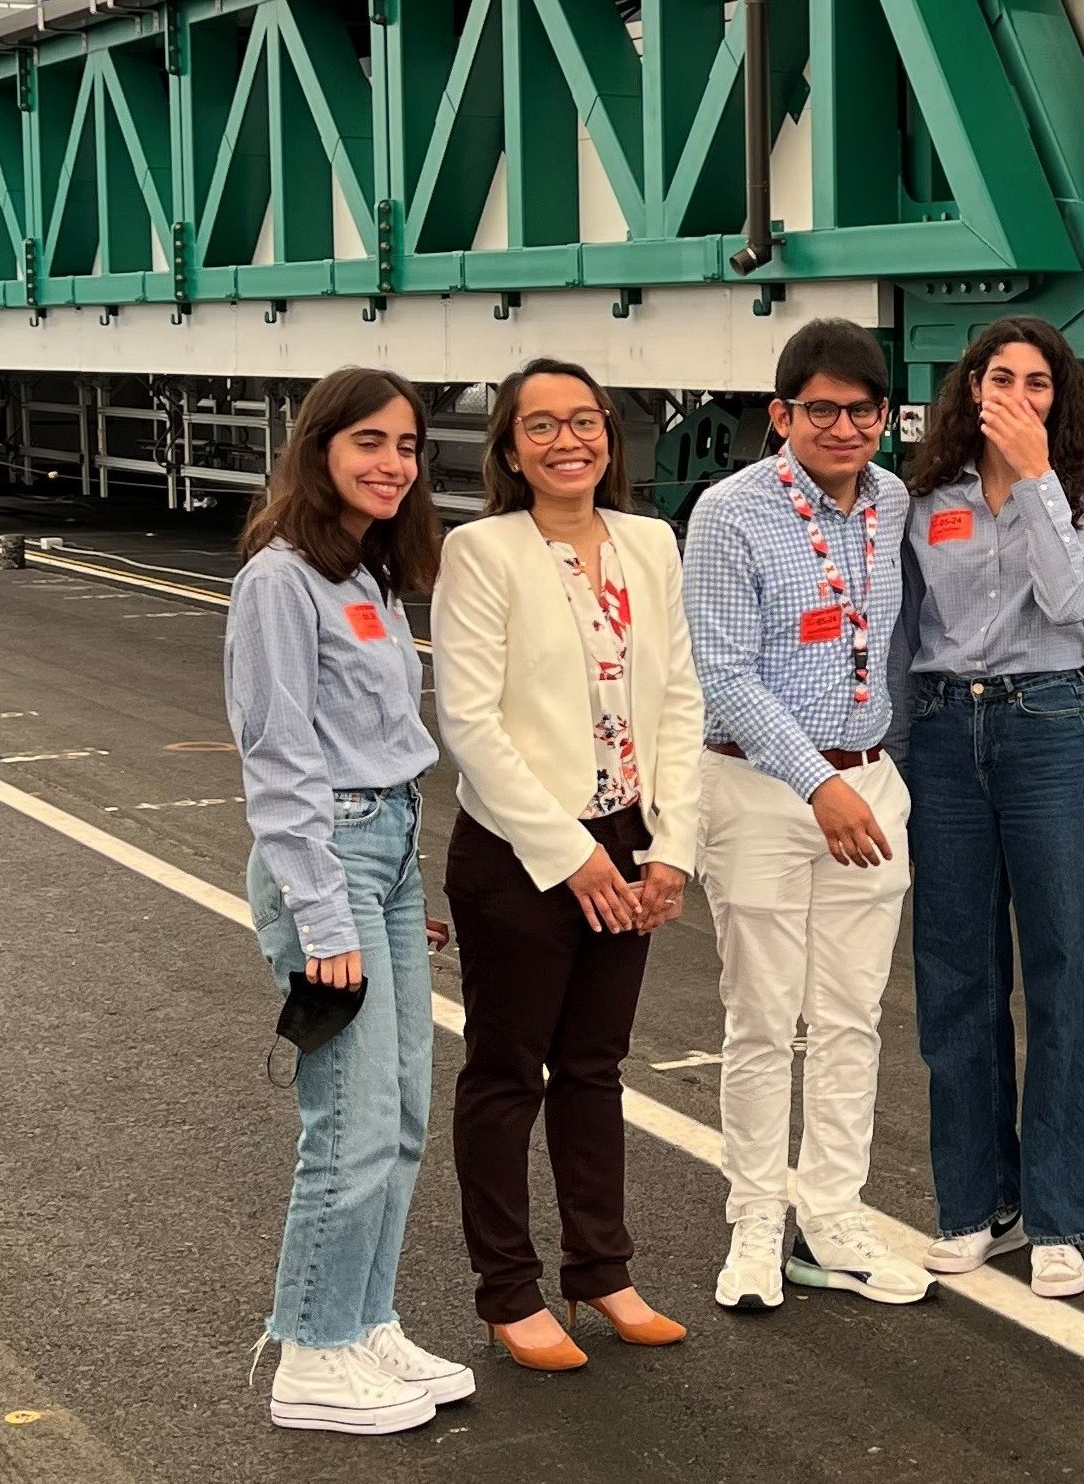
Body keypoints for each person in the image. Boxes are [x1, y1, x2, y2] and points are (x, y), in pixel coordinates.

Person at [436, 358, 705, 1369]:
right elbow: (468, 719)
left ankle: (601, 1271)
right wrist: (570, 853)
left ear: (610, 436)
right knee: (507, 1071)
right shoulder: (482, 551)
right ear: (510, 448)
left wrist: (669, 846)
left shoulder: (648, 542)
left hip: (630, 840)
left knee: (593, 1067)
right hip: (517, 856)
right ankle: (509, 1291)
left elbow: (679, 698)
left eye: (584, 421)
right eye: (541, 426)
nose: (567, 440)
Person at [226, 366, 473, 1433]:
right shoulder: (279, 579)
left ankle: (363, 1314)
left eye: (409, 446)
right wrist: (327, 918)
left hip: (385, 846)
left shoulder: (363, 572)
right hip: (325, 851)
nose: (392, 462)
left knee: (404, 1114)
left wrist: (393, 888)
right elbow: (278, 758)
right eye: (369, 440)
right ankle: (311, 1352)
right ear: (318, 445)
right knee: (351, 1123)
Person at [684, 319, 933, 1311]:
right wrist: (815, 784)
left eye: (859, 409)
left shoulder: (893, 499)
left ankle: (828, 1215)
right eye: (818, 408)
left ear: (881, 416)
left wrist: (864, 777)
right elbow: (727, 675)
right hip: (759, 791)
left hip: (867, 784)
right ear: (780, 413)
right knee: (760, 1018)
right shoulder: (728, 513)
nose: (840, 425)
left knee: (848, 1018)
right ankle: (752, 1222)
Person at [889, 317, 1084, 1299]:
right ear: (970, 387)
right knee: (956, 970)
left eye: (1039, 381)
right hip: (946, 734)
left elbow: (1071, 603)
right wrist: (897, 759)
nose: (1018, 395)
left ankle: (1061, 1211)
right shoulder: (925, 500)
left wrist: (1035, 479)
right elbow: (906, 633)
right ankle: (973, 1201)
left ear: (1056, 396)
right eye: (1001, 378)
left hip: (1044, 728)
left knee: (1064, 963)